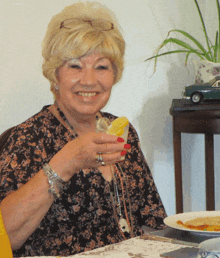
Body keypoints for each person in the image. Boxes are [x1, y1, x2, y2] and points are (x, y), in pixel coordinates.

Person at [0, 2, 167, 257]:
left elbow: (154, 221)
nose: (89, 80)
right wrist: (68, 160)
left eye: (101, 66)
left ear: (114, 74)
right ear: (55, 75)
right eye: (75, 66)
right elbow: (6, 237)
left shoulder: (122, 130)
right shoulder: (28, 137)